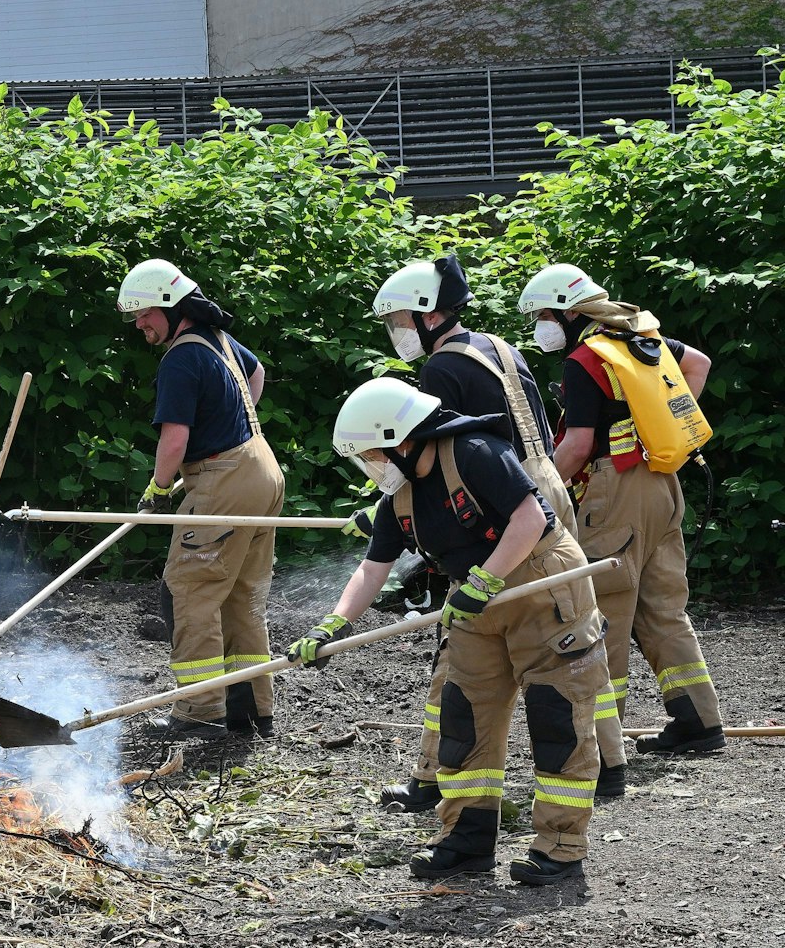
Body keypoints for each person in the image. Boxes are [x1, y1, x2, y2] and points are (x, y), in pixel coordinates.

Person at [291, 377, 608, 886]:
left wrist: (486, 579)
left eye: (371, 453)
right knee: (463, 718)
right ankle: (467, 840)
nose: (369, 465)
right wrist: (334, 624)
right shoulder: (399, 494)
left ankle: (561, 847)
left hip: (539, 586)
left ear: (399, 438)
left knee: (556, 717)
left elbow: (530, 517)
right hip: (474, 600)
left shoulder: (475, 451)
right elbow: (374, 569)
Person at [365, 255, 620, 811]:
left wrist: (412, 518)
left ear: (428, 314)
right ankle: (610, 761)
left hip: (505, 509)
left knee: (461, 649)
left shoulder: (439, 371)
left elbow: (439, 452)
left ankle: (433, 777)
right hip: (546, 482)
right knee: (575, 638)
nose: (397, 332)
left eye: (401, 319)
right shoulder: (496, 345)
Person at [519, 263, 724, 756]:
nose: (540, 327)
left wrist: (531, 494)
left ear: (567, 312)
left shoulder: (586, 359)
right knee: (664, 608)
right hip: (661, 482)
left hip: (615, 492)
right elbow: (699, 364)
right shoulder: (637, 336)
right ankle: (699, 724)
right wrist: (662, 430)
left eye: (543, 315)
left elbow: (575, 447)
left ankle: (601, 751)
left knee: (601, 612)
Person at [116, 259, 284, 739]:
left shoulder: (181, 358)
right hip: (262, 469)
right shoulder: (218, 341)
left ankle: (199, 710)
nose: (140, 324)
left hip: (223, 480)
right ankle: (250, 709)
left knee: (190, 590)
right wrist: (237, 426)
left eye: (144, 313)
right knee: (240, 596)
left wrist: (158, 487)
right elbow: (258, 373)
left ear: (170, 306)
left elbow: (174, 439)